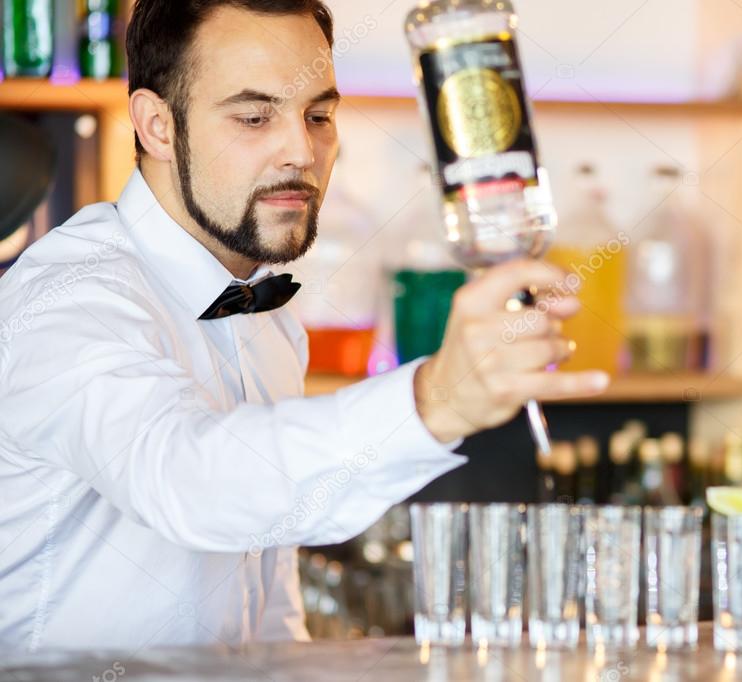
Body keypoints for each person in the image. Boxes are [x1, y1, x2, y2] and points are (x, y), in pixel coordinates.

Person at [0, 0, 608, 652]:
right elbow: (188, 481)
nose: (301, 150)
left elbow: (266, 592)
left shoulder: (266, 312)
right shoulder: (66, 298)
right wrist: (434, 399)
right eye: (254, 117)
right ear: (157, 126)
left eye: (318, 115)